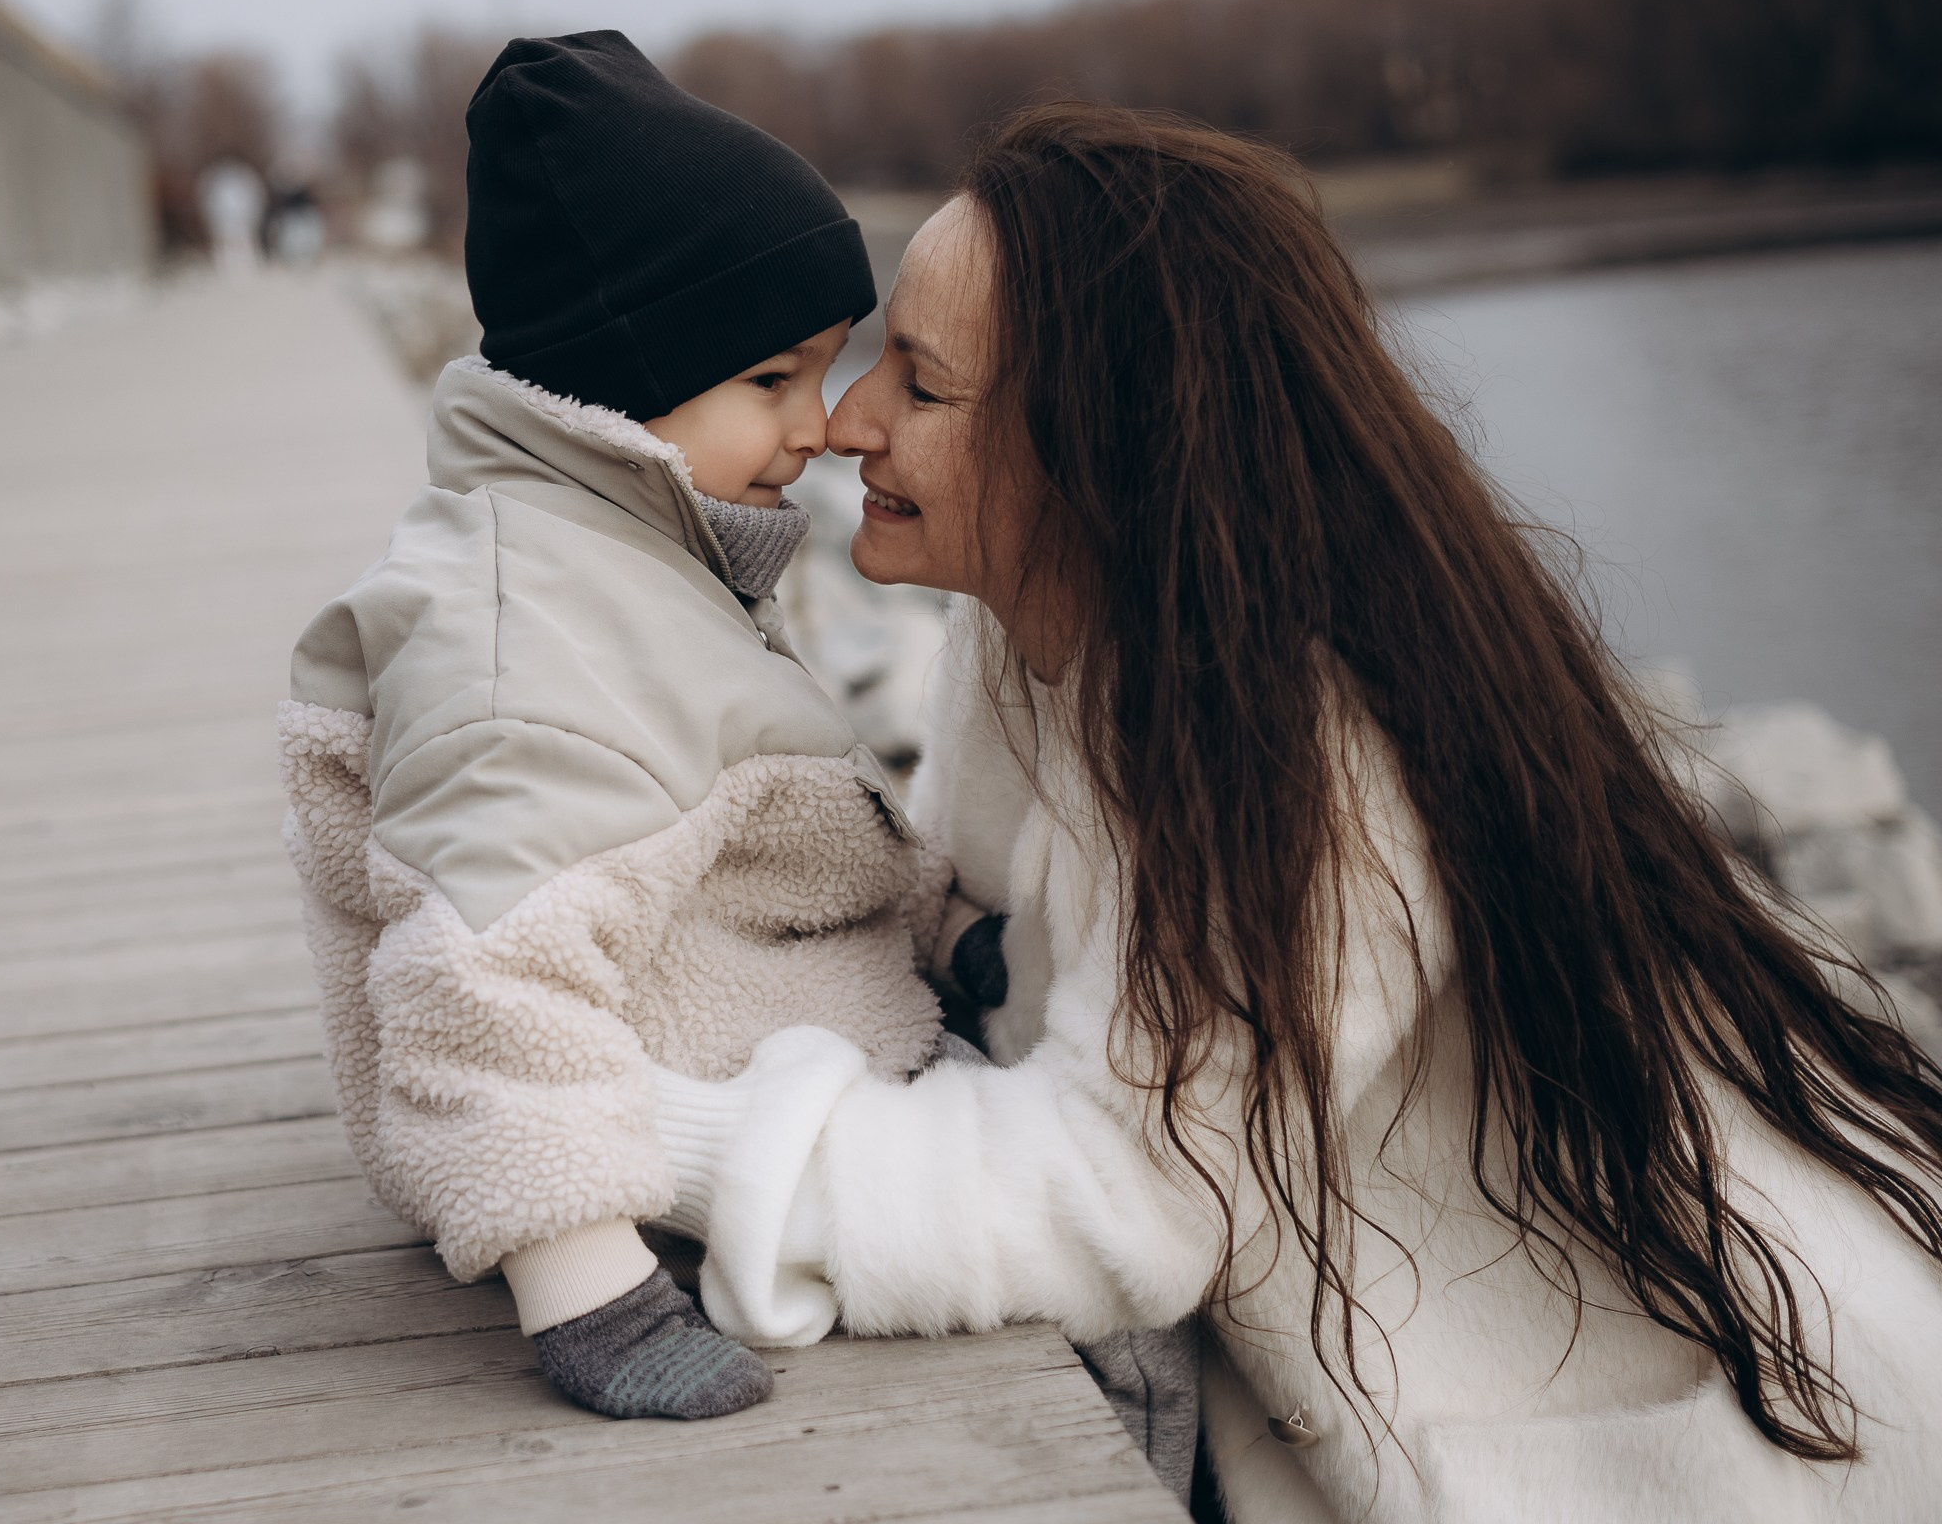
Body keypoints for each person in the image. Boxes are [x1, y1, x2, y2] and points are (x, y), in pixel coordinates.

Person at [650, 102, 1942, 1520]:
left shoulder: (1293, 742)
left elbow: (1117, 1193)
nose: (848, 423)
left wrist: (655, 1143)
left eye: (925, 385)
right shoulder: (1030, 626)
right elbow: (972, 940)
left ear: (1106, 440)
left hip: (1683, 1457)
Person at [278, 32, 942, 1424]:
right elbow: (484, 966)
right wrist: (592, 1291)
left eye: (824, 375)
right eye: (772, 381)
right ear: (624, 374)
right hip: (664, 1155)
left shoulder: (615, 546)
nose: (819, 429)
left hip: (740, 1056)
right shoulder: (525, 641)